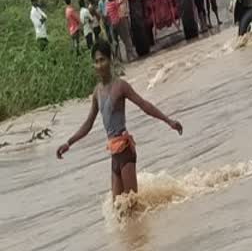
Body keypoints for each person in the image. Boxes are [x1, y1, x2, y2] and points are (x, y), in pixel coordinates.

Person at [55, 40, 183, 201]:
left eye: (102, 59)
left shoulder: (120, 86)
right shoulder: (97, 92)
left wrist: (168, 121)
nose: (99, 65)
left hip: (125, 152)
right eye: (96, 61)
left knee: (132, 205)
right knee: (119, 210)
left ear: (111, 60)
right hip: (114, 155)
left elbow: (143, 105)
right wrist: (68, 143)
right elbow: (88, 124)